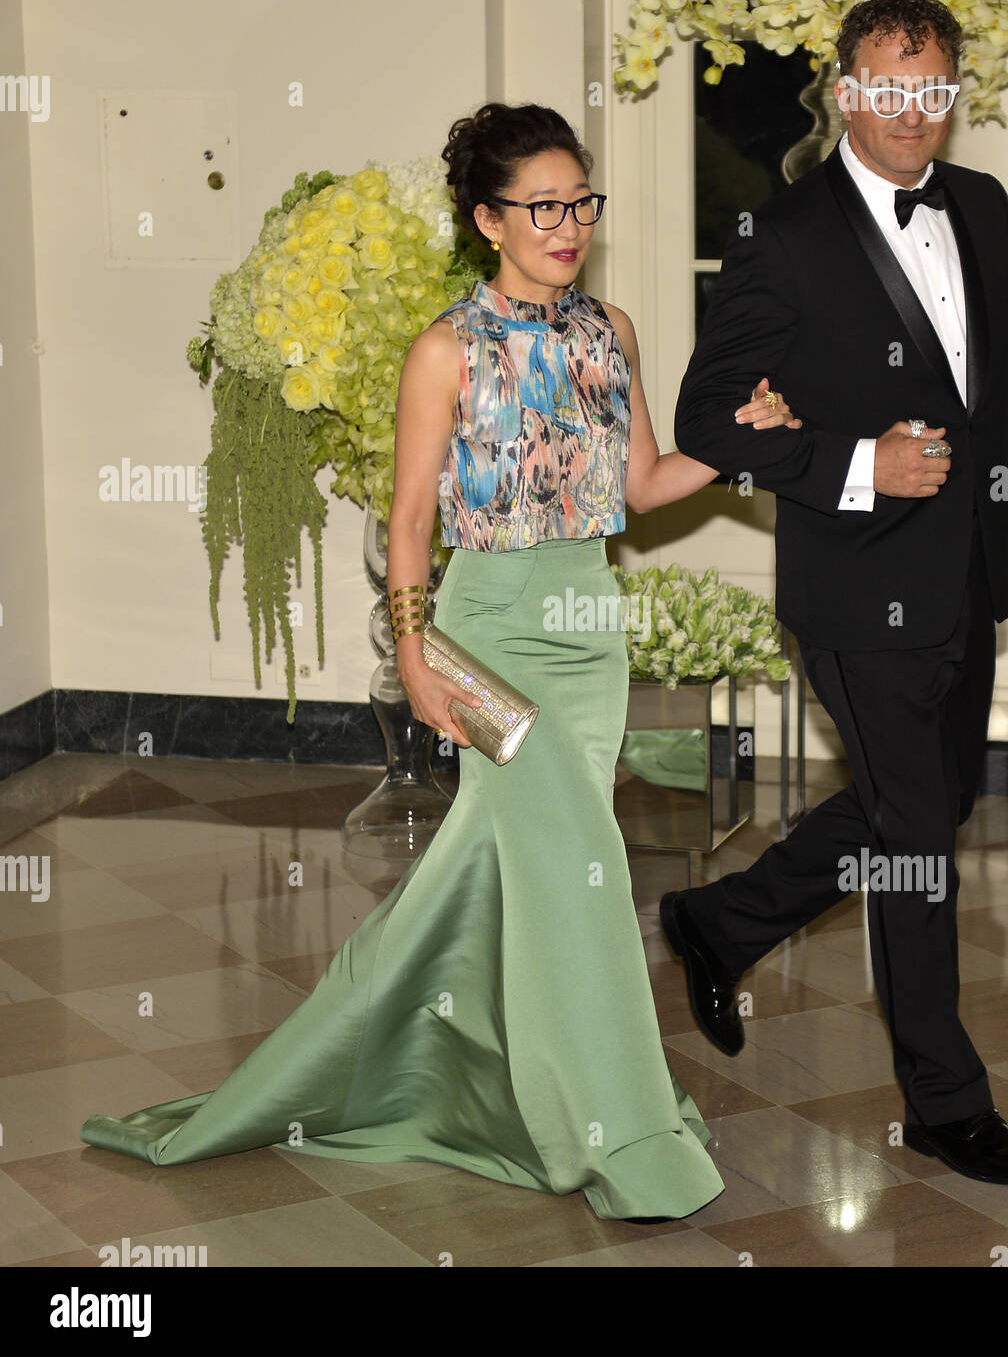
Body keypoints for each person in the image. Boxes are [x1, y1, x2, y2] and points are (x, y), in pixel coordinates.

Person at [79, 102, 798, 1223]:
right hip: (489, 628)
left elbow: (642, 486)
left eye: (580, 200)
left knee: (498, 880)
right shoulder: (443, 350)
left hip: (586, 622)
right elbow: (409, 519)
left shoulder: (610, 330)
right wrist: (417, 655)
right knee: (583, 883)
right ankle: (616, 1132)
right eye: (542, 205)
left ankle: (408, 1074)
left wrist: (738, 440)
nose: (568, 223)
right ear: (487, 219)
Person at [662, 0, 1008, 1187]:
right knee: (917, 847)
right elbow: (703, 415)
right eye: (886, 88)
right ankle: (946, 1102)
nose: (909, 112)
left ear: (951, 94)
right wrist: (857, 466)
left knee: (926, 808)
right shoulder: (782, 234)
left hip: (963, 579)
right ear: (844, 90)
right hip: (853, 590)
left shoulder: (981, 208)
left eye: (930, 88)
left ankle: (723, 919)